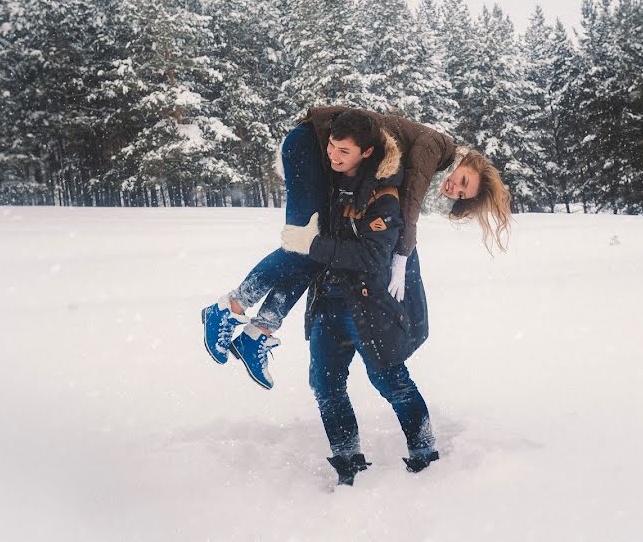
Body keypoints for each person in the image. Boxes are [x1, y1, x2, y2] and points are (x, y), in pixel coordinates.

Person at [201, 106, 512, 390]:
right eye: (464, 181)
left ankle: (259, 333)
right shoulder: (437, 146)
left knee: (314, 254)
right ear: (471, 162)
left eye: (460, 193)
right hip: (310, 147)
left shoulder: (438, 158)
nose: (454, 188)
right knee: (300, 244)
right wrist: (402, 254)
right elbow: (411, 202)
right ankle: (228, 308)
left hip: (327, 160)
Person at [280, 110, 437, 484]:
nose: (333, 156)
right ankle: (348, 459)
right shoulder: (328, 181)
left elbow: (371, 257)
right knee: (325, 384)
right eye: (331, 147)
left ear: (366, 152)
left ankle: (425, 452)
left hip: (366, 306)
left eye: (343, 151)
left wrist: (315, 245)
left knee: (391, 381)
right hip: (327, 304)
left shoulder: (385, 195)